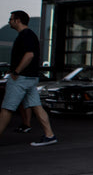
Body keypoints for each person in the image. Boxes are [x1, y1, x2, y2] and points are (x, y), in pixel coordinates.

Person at [0, 10, 57, 146]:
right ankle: (49, 135)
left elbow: (29, 55)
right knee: (37, 107)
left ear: (18, 20)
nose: (9, 22)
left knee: (6, 108)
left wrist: (16, 71)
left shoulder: (25, 35)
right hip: (30, 79)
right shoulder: (29, 35)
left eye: (11, 19)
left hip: (21, 79)